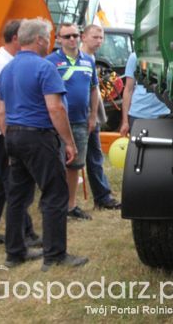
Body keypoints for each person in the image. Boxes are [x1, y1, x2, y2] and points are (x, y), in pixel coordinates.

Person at [0, 18, 88, 271]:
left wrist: (9, 140)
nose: (49, 42)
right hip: (38, 136)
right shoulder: (45, 68)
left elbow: (2, 111)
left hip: (14, 135)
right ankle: (55, 255)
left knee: (17, 196)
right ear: (39, 39)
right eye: (48, 38)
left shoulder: (7, 69)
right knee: (55, 193)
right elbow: (56, 108)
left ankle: (14, 252)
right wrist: (68, 141)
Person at [0, 20, 41, 248]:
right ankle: (25, 234)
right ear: (16, 39)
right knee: (14, 185)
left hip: (6, 130)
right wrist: (8, 135)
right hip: (2, 130)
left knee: (1, 184)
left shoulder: (9, 61)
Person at [45, 22, 98, 220]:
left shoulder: (88, 61)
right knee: (55, 165)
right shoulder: (50, 61)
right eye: (67, 36)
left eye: (75, 35)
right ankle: (54, 205)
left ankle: (70, 205)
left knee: (75, 165)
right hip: (57, 123)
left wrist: (93, 116)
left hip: (81, 121)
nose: (72, 39)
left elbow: (94, 89)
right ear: (58, 39)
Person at [79, 25, 121, 210]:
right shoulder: (80, 58)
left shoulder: (91, 58)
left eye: (101, 38)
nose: (99, 41)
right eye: (95, 37)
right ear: (84, 37)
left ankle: (102, 197)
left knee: (95, 157)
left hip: (92, 118)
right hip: (80, 118)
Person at [119, 51, 170, 136]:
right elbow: (128, 90)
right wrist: (125, 122)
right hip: (138, 115)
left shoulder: (169, 55)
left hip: (164, 115)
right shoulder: (135, 57)